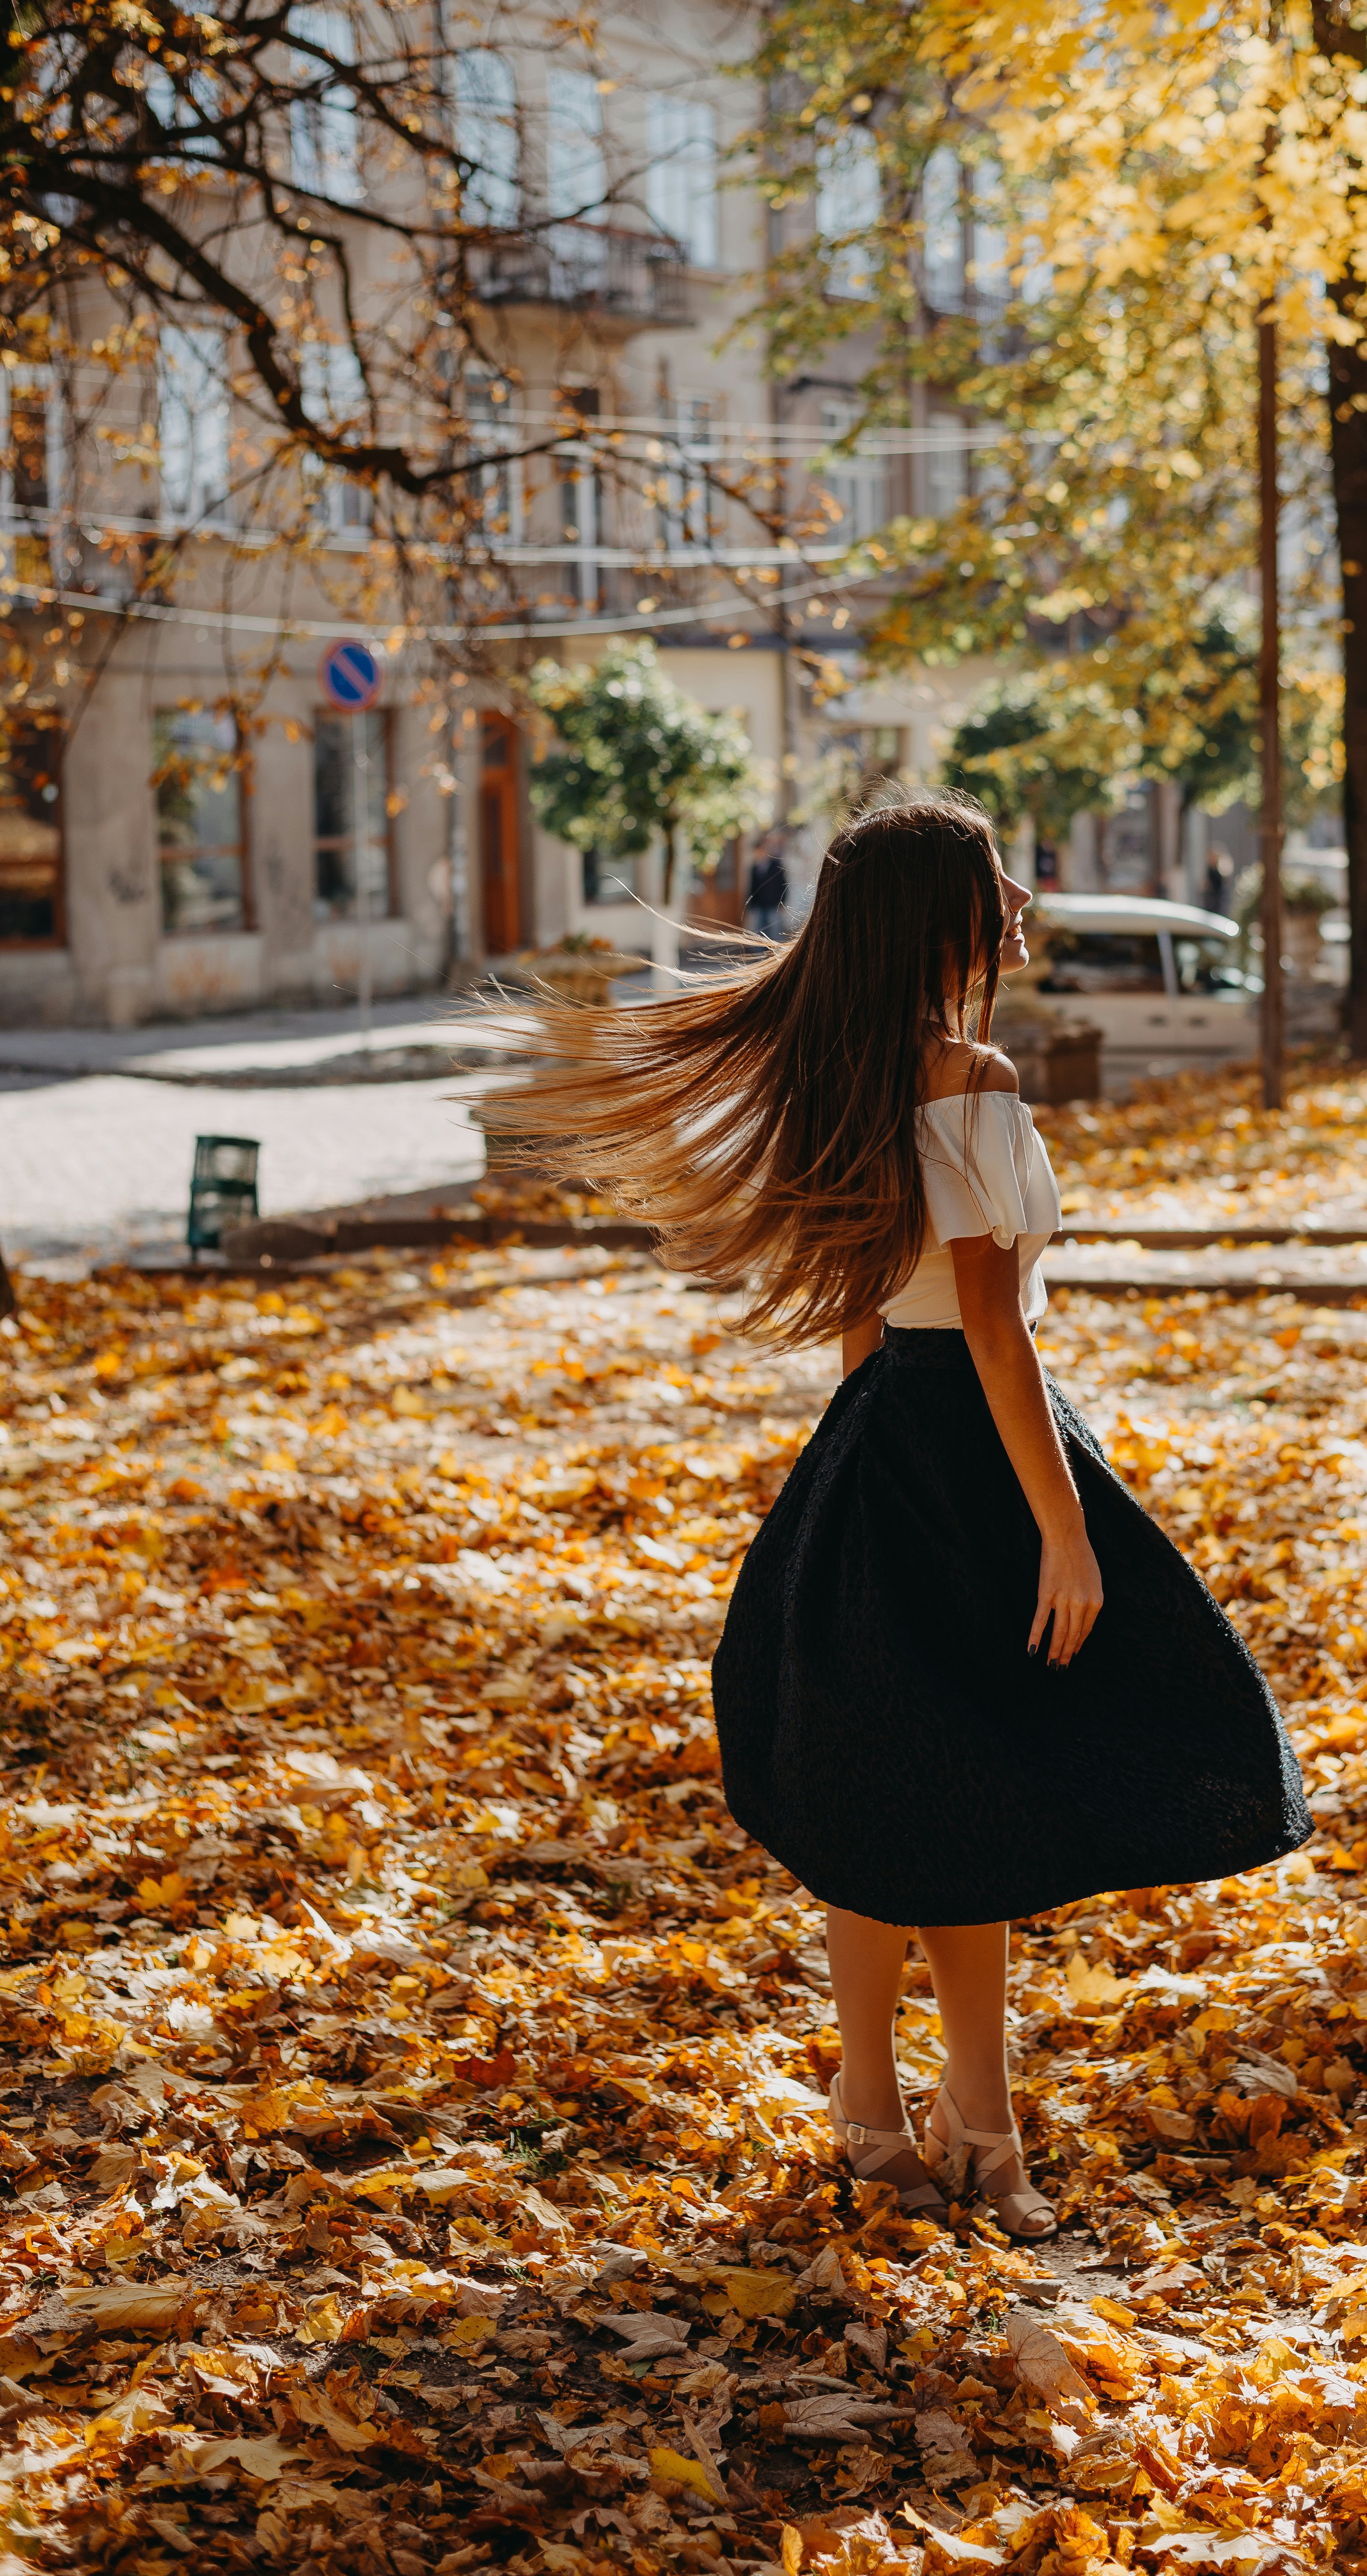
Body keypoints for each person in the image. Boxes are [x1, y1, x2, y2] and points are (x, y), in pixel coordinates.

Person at [481, 789, 1309, 2236]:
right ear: (946, 917)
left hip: (877, 1445)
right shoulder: (967, 1074)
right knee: (962, 1785)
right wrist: (1061, 1527)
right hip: (978, 1453)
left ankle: (905, 2113)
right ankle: (959, 2124)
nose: (1015, 911)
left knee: (890, 1791)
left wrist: (855, 1475)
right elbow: (991, 1329)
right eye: (996, 888)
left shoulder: (832, 1074)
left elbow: (870, 1324)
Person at [745, 835, 790, 941]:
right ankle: (760, 956)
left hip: (774, 905)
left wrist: (782, 903)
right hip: (759, 906)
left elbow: (783, 885)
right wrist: (749, 905)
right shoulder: (755, 868)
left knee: (775, 934)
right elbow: (752, 888)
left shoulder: (776, 866)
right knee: (759, 934)